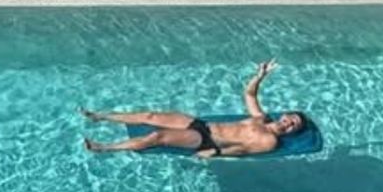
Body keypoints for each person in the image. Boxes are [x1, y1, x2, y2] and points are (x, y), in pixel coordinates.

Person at [82, 59, 310, 159]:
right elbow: (249, 94)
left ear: (292, 132)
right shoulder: (260, 118)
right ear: (284, 115)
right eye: (290, 118)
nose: (288, 123)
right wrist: (260, 76)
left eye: (293, 126)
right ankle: (100, 117)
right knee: (150, 115)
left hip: (205, 140)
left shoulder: (269, 142)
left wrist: (217, 153)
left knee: (157, 136)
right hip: (203, 124)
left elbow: (243, 150)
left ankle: (104, 147)